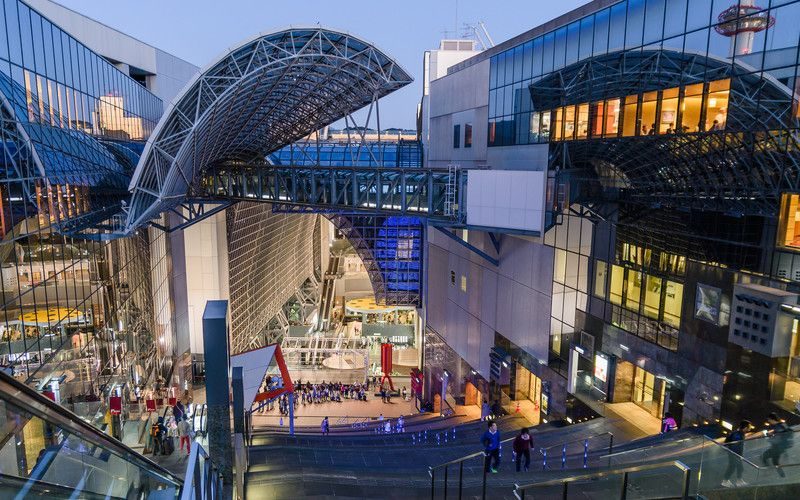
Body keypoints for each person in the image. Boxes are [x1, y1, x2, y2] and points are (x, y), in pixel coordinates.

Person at [761, 413, 791, 477]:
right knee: (775, 462)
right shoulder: (781, 425)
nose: (768, 421)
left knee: (764, 456)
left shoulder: (779, 426)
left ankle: (768, 471)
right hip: (780, 447)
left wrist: (769, 439)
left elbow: (778, 437)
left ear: (772, 419)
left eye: (769, 419)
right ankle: (782, 475)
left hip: (777, 447)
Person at [722, 420, 749, 488]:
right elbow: (735, 445)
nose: (750, 428)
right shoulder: (737, 434)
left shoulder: (741, 433)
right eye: (749, 427)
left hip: (737, 454)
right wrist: (737, 455)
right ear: (745, 427)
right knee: (732, 467)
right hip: (734, 454)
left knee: (740, 468)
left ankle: (739, 481)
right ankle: (725, 481)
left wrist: (740, 455)